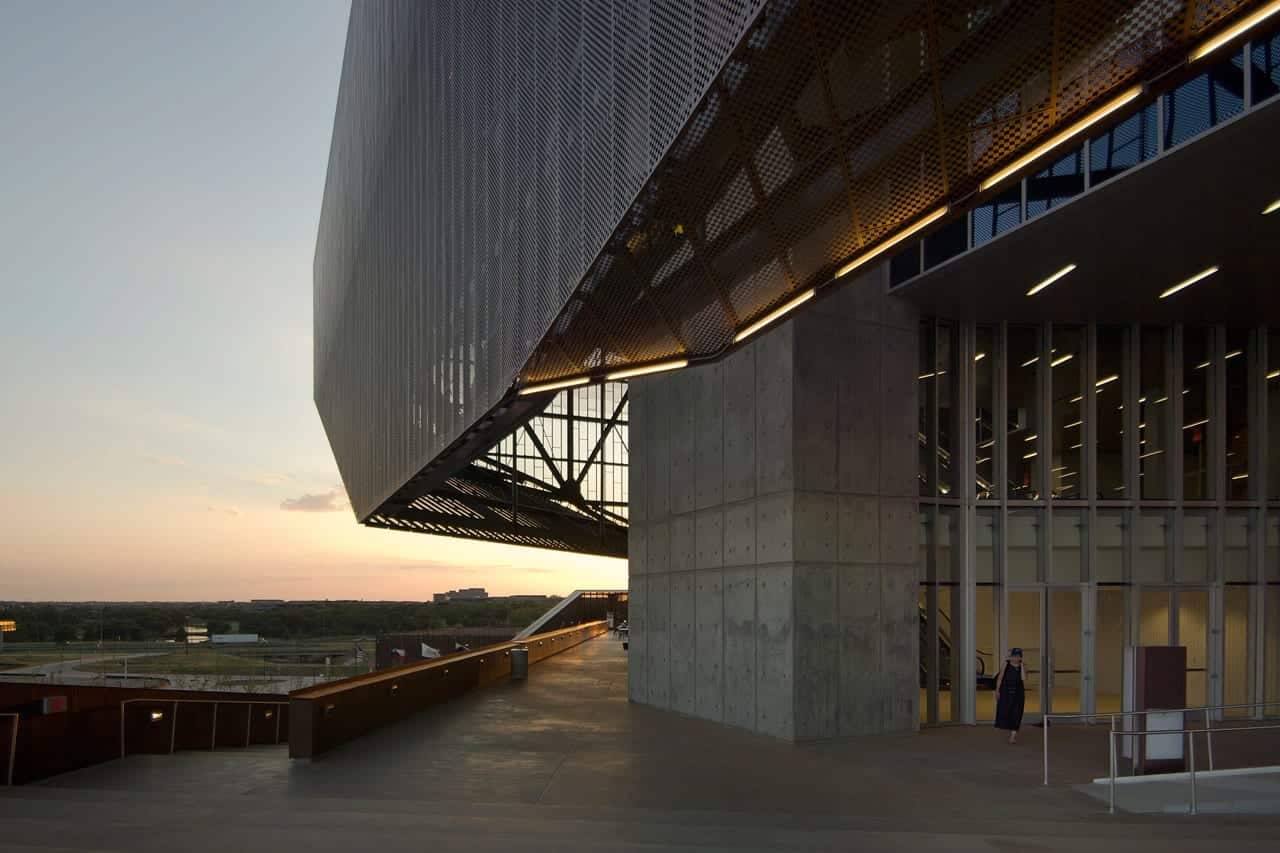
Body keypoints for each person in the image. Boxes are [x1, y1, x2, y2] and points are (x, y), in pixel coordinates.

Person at [994, 647, 1026, 744]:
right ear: (1011, 656)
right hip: (1006, 691)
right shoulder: (1006, 664)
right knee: (1006, 710)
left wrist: (1022, 666)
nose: (1015, 658)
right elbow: (1000, 677)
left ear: (1020, 657)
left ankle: (1013, 736)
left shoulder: (1023, 666)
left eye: (1018, 656)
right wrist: (997, 690)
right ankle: (1006, 725)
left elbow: (1023, 678)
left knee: (1017, 713)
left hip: (1018, 692)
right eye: (1014, 656)